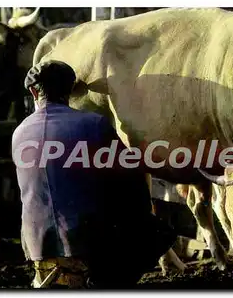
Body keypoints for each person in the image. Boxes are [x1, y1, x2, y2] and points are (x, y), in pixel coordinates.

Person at [12, 60, 176, 289]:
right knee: (157, 231)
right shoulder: (94, 124)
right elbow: (131, 183)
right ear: (71, 89)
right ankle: (106, 283)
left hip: (37, 246)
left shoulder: (19, 133)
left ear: (32, 91)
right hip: (86, 244)